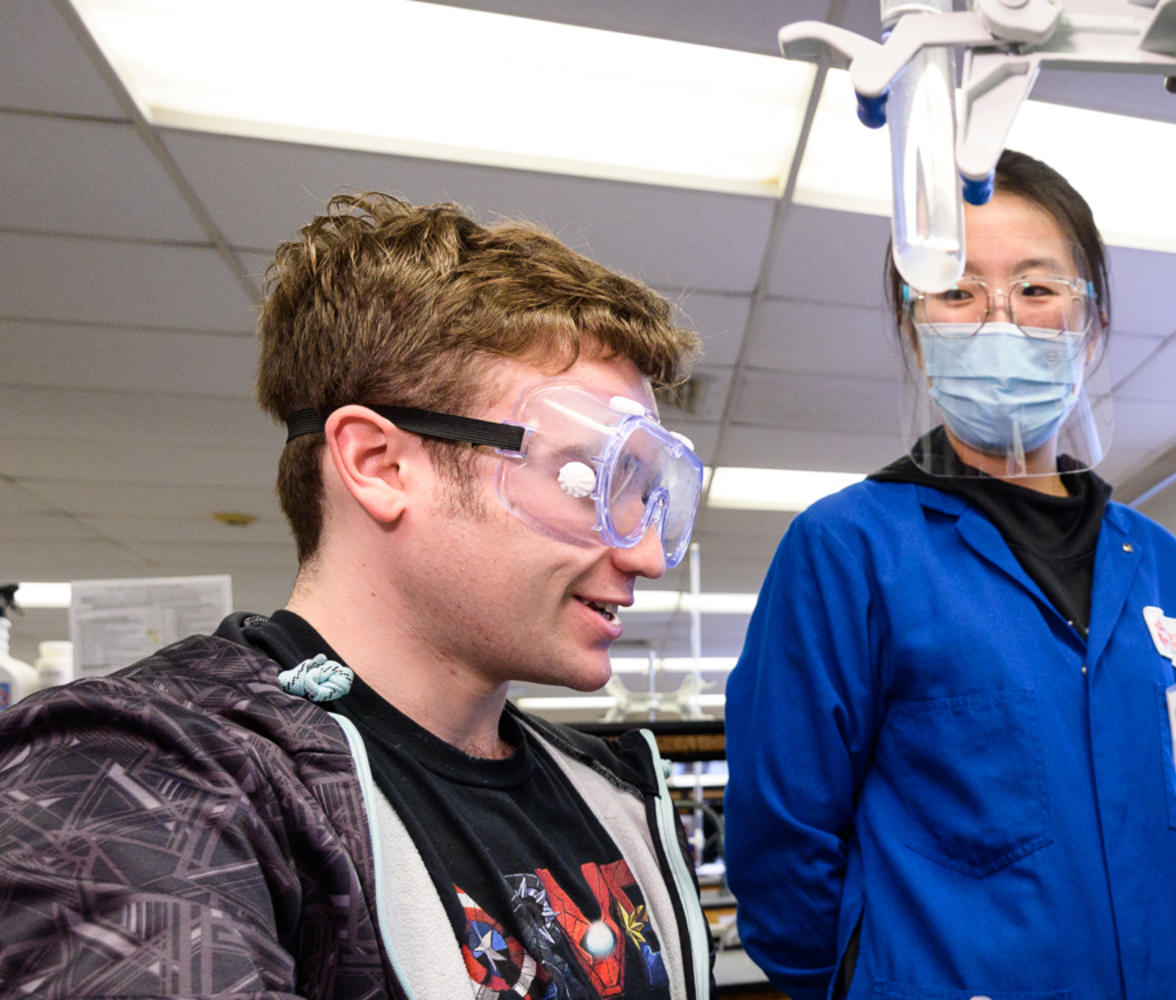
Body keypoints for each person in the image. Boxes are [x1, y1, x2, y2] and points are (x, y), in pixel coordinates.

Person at [0, 193, 712, 999]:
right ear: (379, 464)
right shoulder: (143, 778)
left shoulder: (606, 793)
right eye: (586, 478)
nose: (647, 553)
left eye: (652, 499)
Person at [722, 149, 1176, 999]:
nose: (1001, 321)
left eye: (1038, 290)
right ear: (915, 331)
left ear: (1091, 324)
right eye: (958, 291)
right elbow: (782, 849)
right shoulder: (850, 549)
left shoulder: (1161, 566)